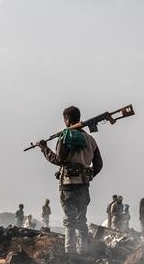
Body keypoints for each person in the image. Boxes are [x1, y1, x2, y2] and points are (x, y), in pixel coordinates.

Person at [37, 106, 103, 254]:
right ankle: (83, 251)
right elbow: (98, 164)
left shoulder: (65, 136)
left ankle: (70, 252)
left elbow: (58, 159)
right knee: (81, 221)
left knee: (69, 221)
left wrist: (44, 148)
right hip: (83, 187)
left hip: (67, 186)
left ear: (67, 120)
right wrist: (88, 175)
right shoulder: (91, 139)